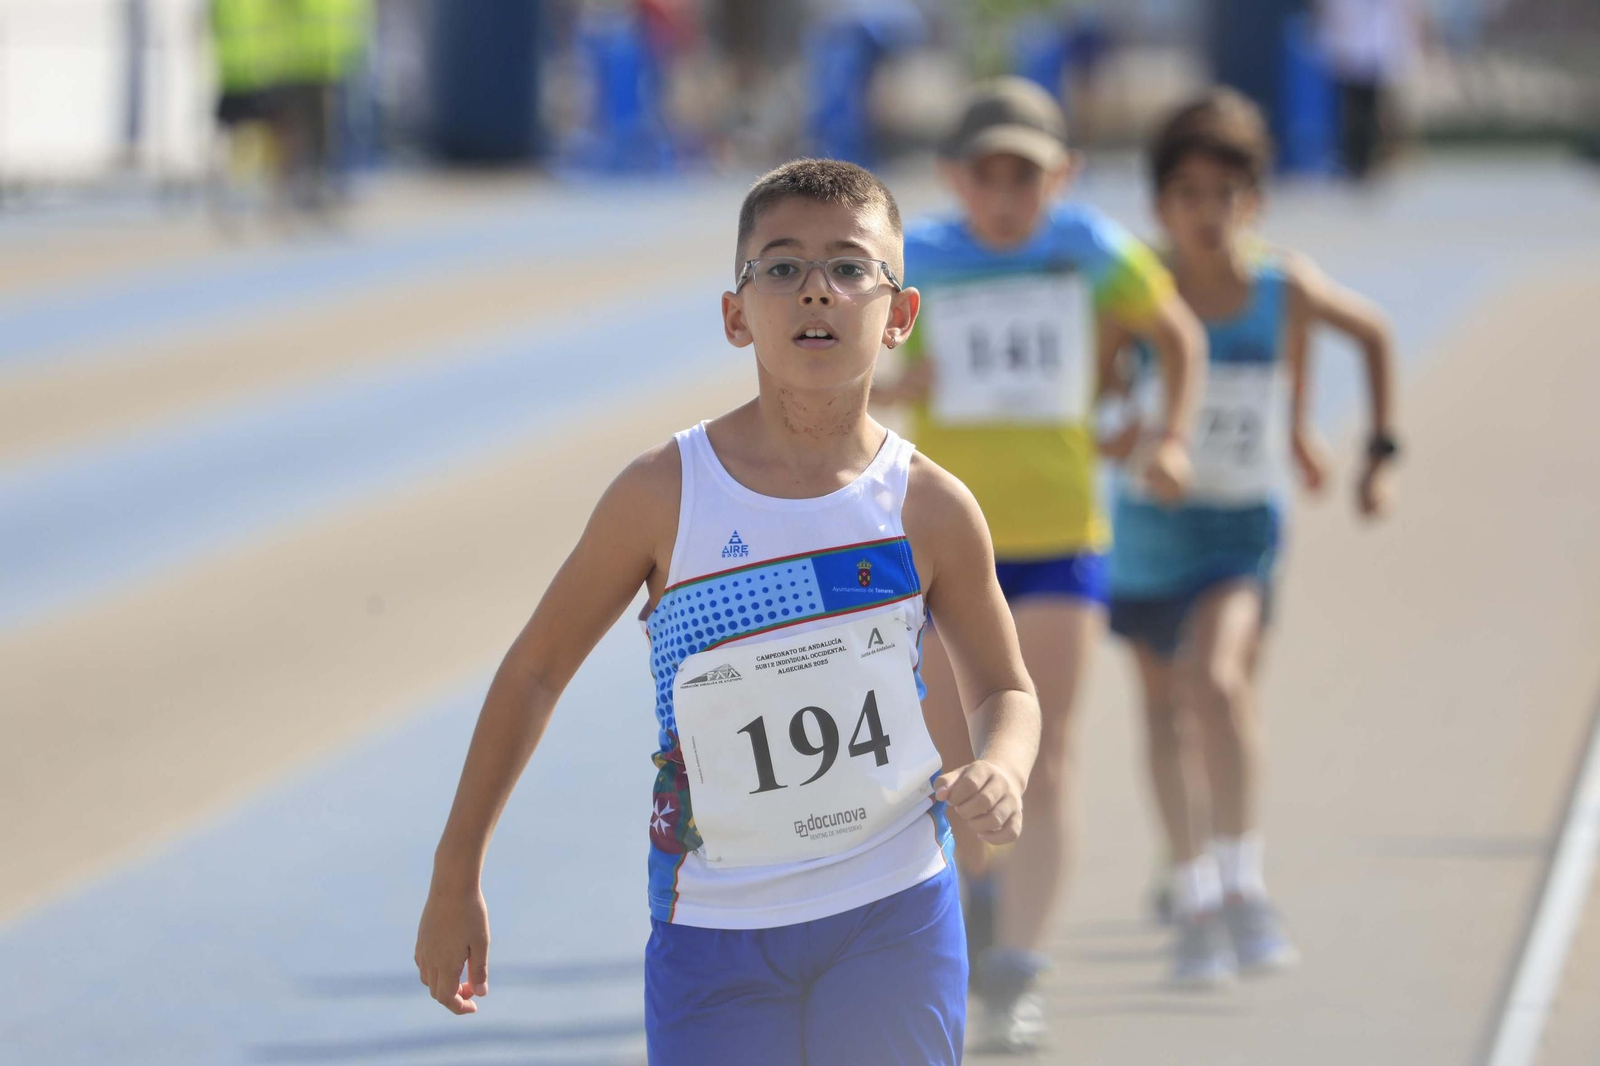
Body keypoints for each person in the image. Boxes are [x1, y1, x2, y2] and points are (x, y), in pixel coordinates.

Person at [413, 159, 1043, 1066]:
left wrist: (1006, 767)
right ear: (735, 314)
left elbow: (1003, 690)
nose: (816, 290)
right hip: (713, 924)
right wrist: (456, 871)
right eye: (781, 267)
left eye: (850, 267)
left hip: (894, 904)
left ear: (901, 314)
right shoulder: (663, 494)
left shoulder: (930, 507)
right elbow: (536, 671)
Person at [872, 77, 1204, 1052]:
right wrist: (900, 381)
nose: (1007, 194)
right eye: (988, 175)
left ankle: (1018, 972)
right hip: (941, 552)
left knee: (1042, 761)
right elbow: (841, 368)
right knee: (950, 768)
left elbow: (1178, 337)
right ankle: (980, 895)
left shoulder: (1092, 249)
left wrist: (1168, 435)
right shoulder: (916, 258)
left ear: (1063, 175)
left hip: (1060, 540)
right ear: (954, 178)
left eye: (1026, 175)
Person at [1100, 87, 1401, 984]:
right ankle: (1192, 889)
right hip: (1150, 530)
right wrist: (1119, 428)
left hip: (1241, 525)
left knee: (1221, 684)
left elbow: (1373, 334)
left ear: (1254, 202)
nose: (1207, 213)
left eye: (1224, 195)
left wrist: (1370, 452)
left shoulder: (1282, 286)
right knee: (1166, 710)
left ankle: (1242, 886)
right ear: (1160, 205)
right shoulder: (1138, 293)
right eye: (1187, 195)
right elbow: (1099, 390)